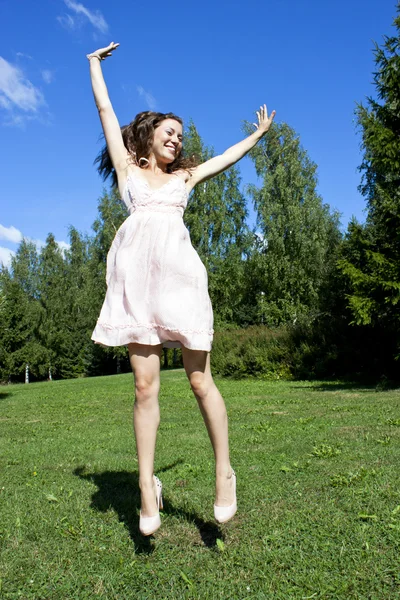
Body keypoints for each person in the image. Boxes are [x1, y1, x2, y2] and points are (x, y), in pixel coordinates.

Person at [87, 42, 275, 536]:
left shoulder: (184, 178)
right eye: (169, 133)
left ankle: (224, 471)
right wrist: (93, 66)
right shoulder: (127, 169)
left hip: (180, 283)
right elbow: (106, 110)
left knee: (197, 381)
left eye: (181, 135)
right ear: (148, 137)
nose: (177, 139)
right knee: (144, 386)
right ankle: (148, 488)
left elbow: (225, 158)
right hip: (136, 287)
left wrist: (256, 135)